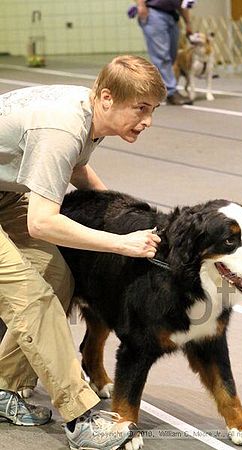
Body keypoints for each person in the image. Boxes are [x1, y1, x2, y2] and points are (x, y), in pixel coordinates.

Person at [0, 55, 165, 450]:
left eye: (153, 110)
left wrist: (124, 215)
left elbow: (75, 172)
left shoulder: (90, 114)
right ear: (107, 97)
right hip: (16, 200)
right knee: (31, 296)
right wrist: (121, 242)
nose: (147, 121)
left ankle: (6, 388)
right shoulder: (61, 128)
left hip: (6, 194)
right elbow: (42, 222)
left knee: (57, 275)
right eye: (140, 109)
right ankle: (81, 417)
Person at [136, 0, 195, 105]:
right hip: (154, 13)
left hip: (173, 15)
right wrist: (141, 6)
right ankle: (171, 92)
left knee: (172, 56)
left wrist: (188, 22)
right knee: (162, 56)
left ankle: (157, 89)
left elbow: (185, 3)